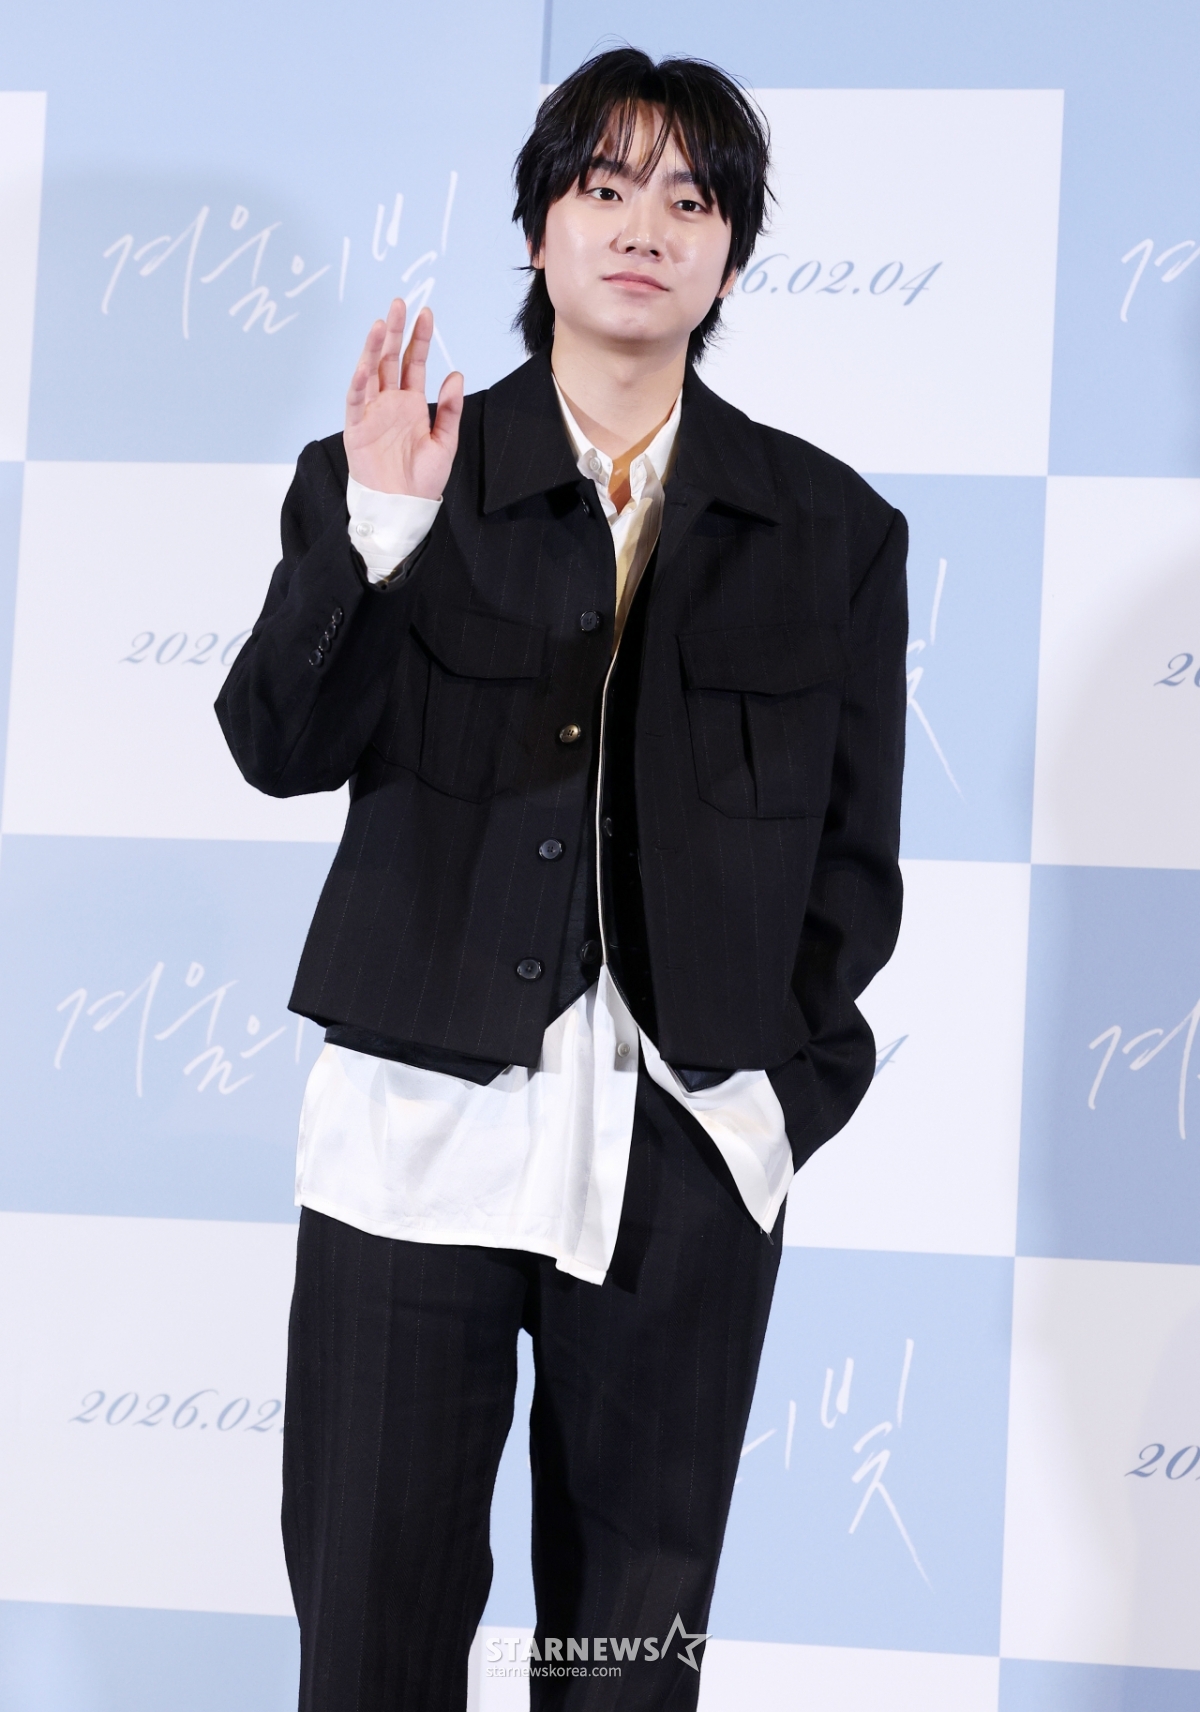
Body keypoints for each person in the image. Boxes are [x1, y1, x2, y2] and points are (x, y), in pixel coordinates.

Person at [217, 46, 907, 1712]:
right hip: (413, 1156)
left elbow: (852, 867)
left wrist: (772, 1109)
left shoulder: (830, 531)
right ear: (539, 230)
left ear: (730, 255)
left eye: (690, 199)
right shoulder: (395, 471)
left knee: (621, 1671)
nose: (644, 227)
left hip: (682, 1171)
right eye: (604, 188)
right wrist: (379, 534)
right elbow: (277, 745)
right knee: (372, 1650)